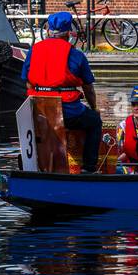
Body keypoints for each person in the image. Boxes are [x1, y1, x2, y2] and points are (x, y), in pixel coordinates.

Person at [21, 11, 102, 174]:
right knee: (95, 122)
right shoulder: (76, 54)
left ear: (48, 30)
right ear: (69, 31)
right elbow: (88, 88)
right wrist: (94, 108)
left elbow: (27, 81)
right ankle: (89, 168)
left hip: (39, 109)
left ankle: (37, 165)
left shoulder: (34, 50)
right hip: (67, 111)